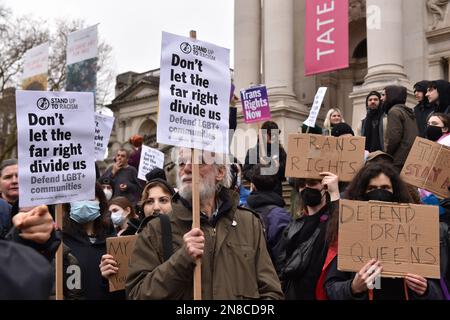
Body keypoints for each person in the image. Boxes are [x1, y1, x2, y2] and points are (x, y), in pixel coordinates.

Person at [126, 147, 283, 299]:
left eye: (199, 161)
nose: (187, 168)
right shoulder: (156, 229)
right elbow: (137, 294)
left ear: (220, 172)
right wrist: (181, 260)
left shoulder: (249, 224)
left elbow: (271, 292)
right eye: (181, 163)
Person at [323, 162, 443, 300]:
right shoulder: (347, 231)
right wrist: (353, 287)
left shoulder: (416, 229)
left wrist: (426, 289)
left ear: (395, 192)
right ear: (361, 193)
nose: (379, 192)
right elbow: (331, 288)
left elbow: (438, 290)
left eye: (385, 188)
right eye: (372, 188)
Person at [275, 172, 340, 299]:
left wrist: (335, 194)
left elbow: (341, 230)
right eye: (301, 185)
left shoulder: (332, 219)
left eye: (312, 183)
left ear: (325, 186)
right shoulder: (293, 225)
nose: (306, 188)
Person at [62, 183, 121, 299]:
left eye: (90, 198)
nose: (84, 204)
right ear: (69, 204)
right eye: (78, 198)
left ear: (100, 202)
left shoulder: (113, 242)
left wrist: (107, 279)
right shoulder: (61, 242)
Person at [246, 163, 292, 261]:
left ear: (253, 185)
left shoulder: (240, 212)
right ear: (276, 184)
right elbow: (283, 256)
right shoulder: (281, 217)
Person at [243, 120, 287, 197]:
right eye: (271, 134)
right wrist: (259, 170)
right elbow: (246, 172)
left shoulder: (280, 151)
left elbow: (285, 172)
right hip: (258, 192)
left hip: (275, 194)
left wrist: (276, 167)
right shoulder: (253, 151)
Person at [382, 85, 418, 173]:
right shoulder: (407, 112)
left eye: (384, 95)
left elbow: (394, 137)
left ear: (391, 96)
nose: (381, 98)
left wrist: (387, 155)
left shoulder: (394, 112)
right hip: (409, 158)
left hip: (398, 160)